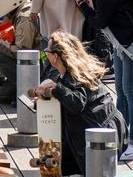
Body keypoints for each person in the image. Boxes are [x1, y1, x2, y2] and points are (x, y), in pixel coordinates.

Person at [61, 0, 133, 163]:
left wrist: (80, 3)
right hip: (121, 38)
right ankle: (121, 134)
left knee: (132, 90)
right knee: (120, 88)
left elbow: (99, 21)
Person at [30, 31, 119, 177]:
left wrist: (56, 89)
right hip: (94, 130)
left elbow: (76, 103)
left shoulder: (77, 76)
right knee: (65, 167)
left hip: (98, 137)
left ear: (55, 56)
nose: (46, 54)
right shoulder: (72, 71)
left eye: (47, 51)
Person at [0, 0, 39, 104]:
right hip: (32, 63)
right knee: (0, 96)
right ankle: (16, 89)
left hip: (34, 67)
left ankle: (26, 86)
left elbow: (22, 52)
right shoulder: (24, 9)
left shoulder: (24, 18)